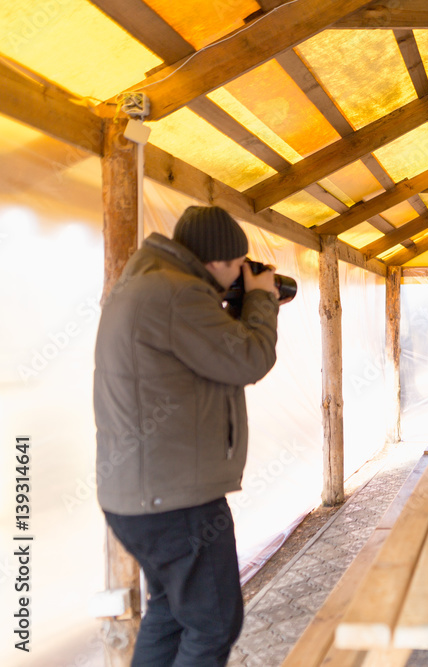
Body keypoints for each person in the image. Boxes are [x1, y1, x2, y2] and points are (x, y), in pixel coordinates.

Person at [93, 205, 282, 666]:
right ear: (217, 260)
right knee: (213, 622)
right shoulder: (177, 294)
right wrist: (261, 299)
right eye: (239, 264)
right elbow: (249, 359)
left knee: (174, 613)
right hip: (176, 504)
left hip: (139, 501)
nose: (241, 273)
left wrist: (236, 301)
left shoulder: (150, 284)